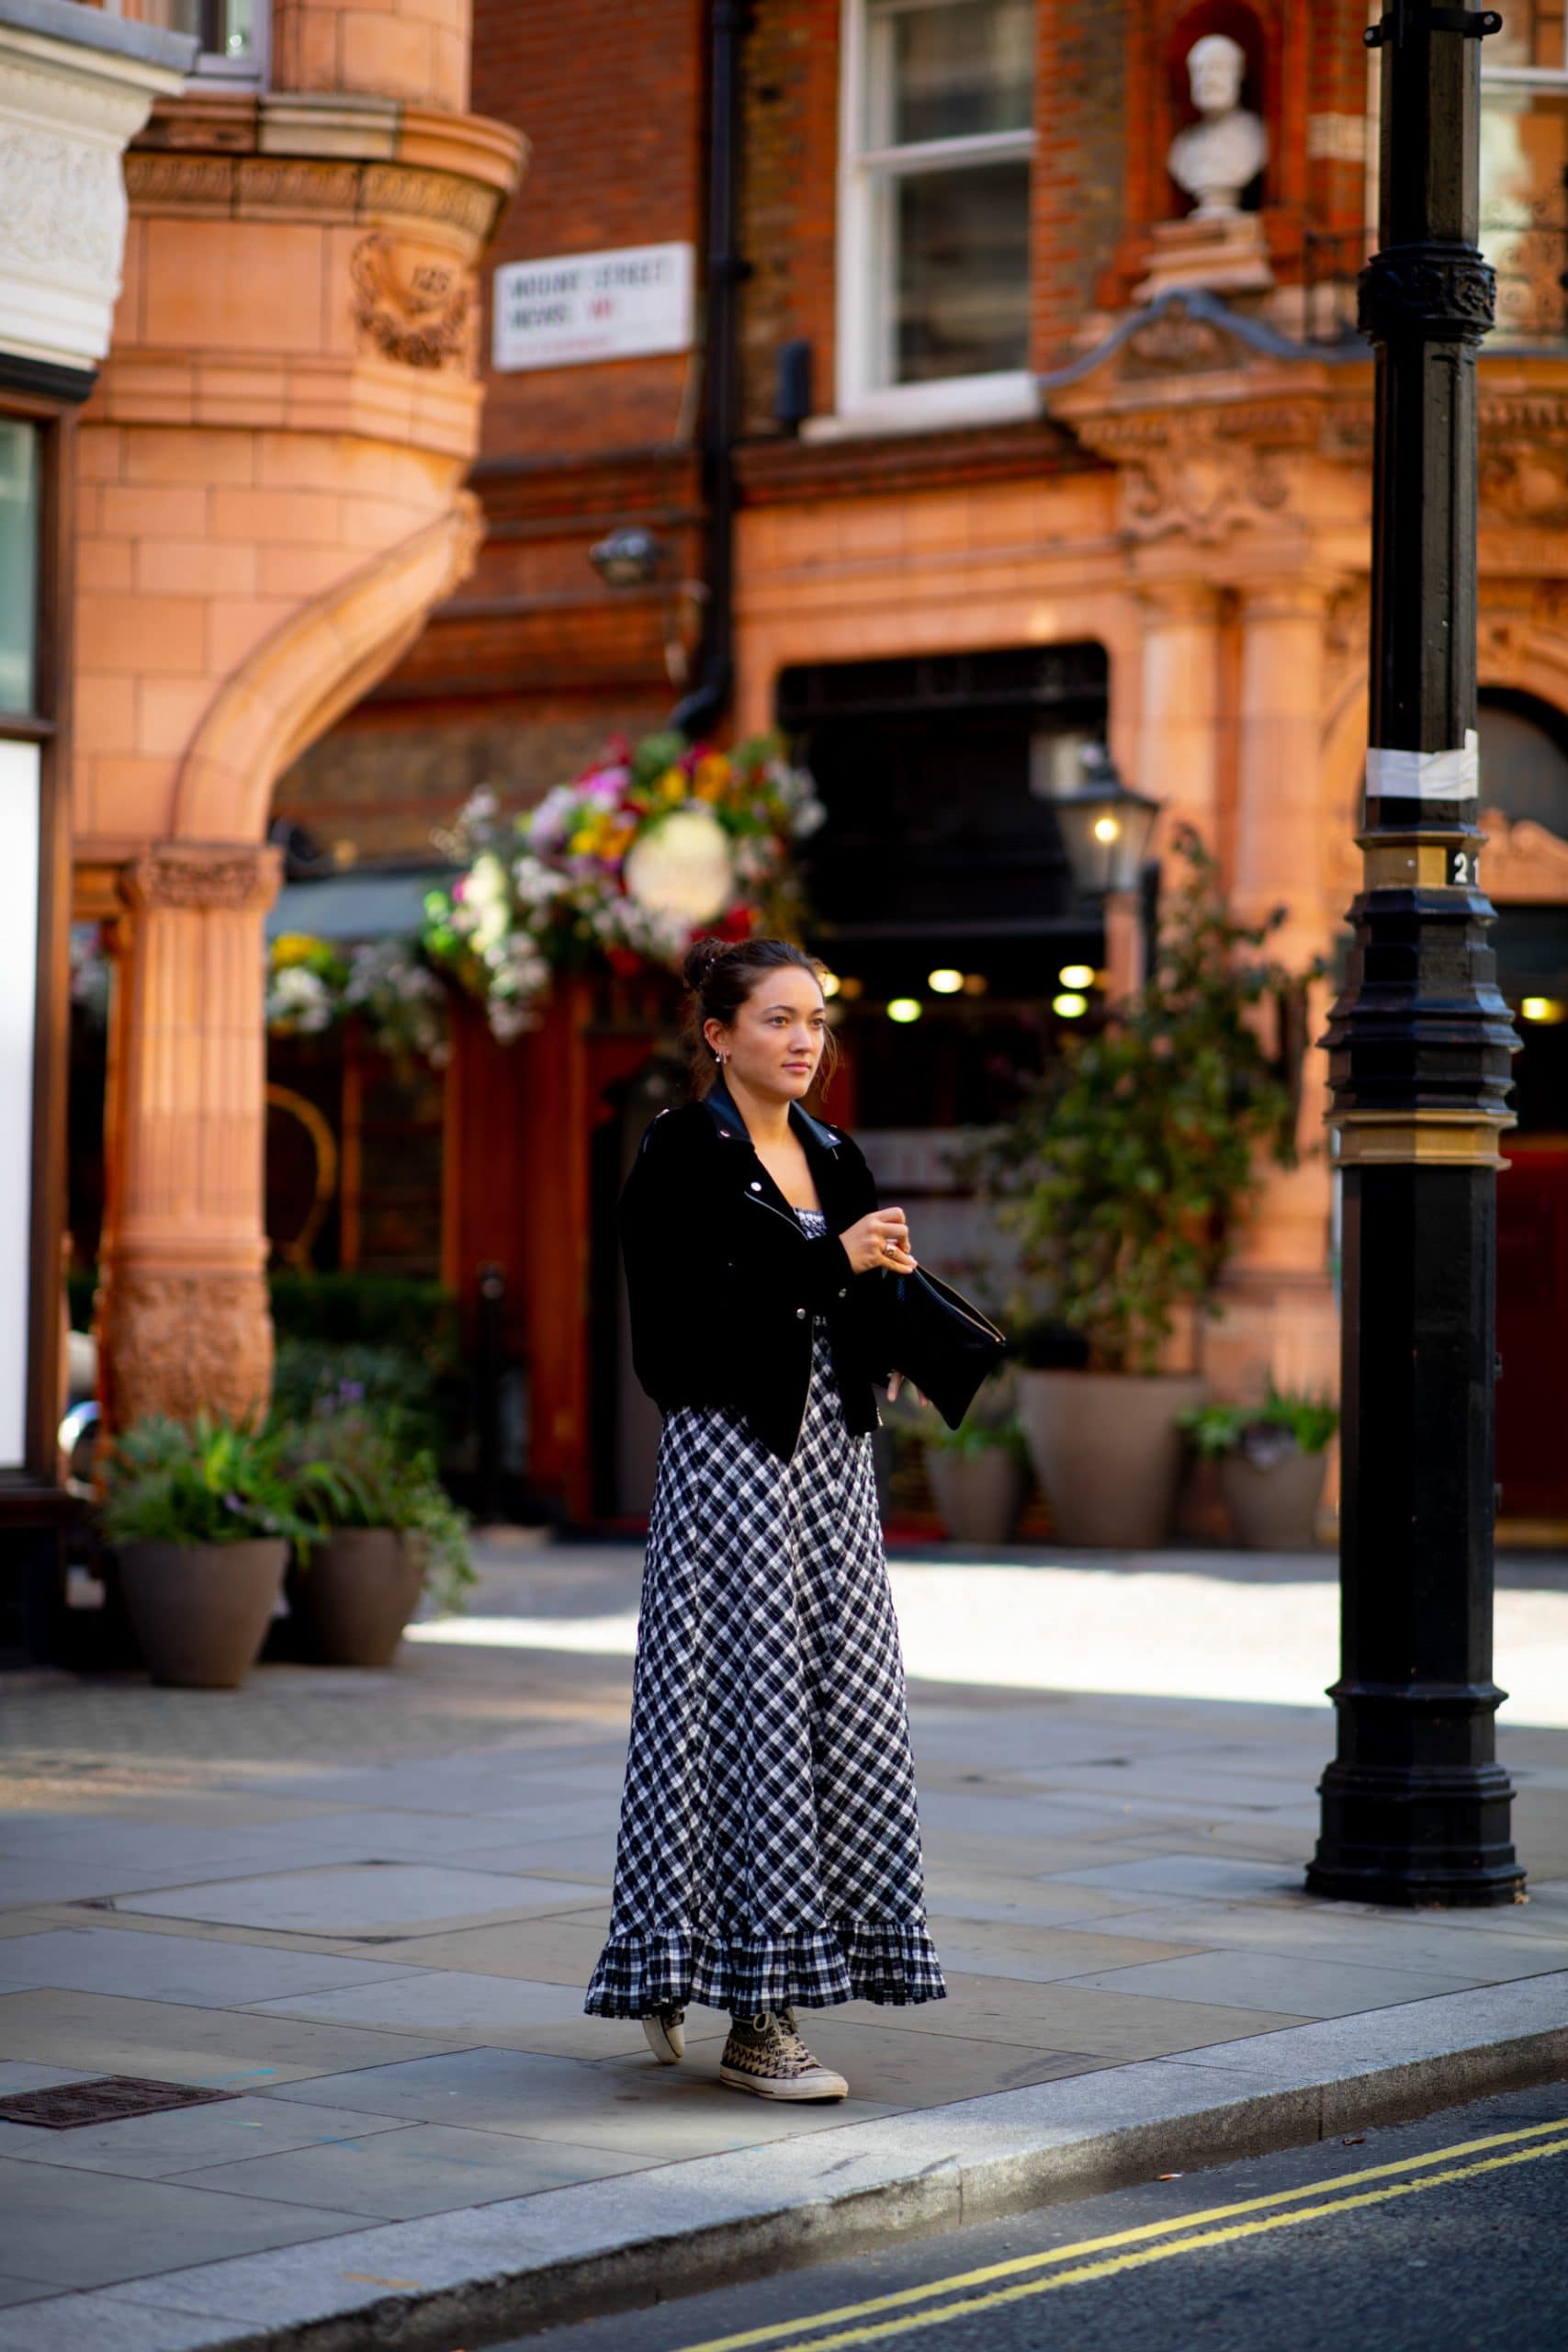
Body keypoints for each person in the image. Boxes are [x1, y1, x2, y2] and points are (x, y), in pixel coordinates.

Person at [583, 935, 946, 2099]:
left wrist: (894, 1323)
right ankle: (755, 2017)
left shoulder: (836, 1152)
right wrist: (830, 1262)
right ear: (719, 1034)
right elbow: (680, 1335)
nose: (803, 1040)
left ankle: (685, 1961)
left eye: (816, 1021)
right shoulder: (681, 1151)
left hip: (833, 1467)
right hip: (733, 1461)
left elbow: (849, 1297)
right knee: (746, 1725)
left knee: (846, 1717)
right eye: (779, 1019)